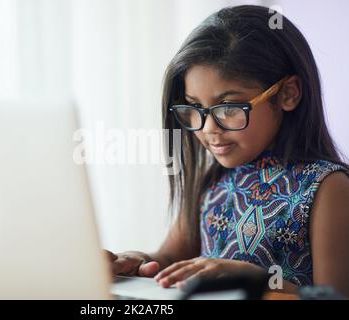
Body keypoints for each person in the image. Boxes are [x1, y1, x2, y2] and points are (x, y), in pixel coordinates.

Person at [105, 5, 349, 296]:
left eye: (229, 107)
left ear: (288, 93)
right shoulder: (211, 182)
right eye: (194, 108)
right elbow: (169, 259)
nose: (208, 128)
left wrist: (256, 280)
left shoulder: (327, 187)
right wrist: (137, 262)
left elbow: (335, 295)